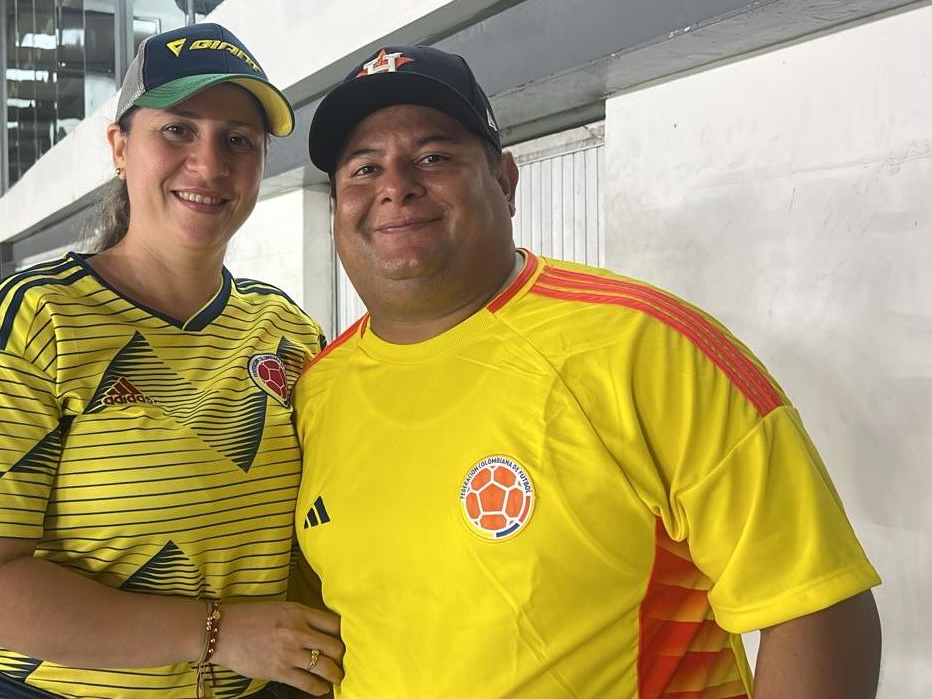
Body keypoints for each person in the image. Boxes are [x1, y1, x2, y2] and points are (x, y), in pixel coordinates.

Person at [294, 45, 882, 698]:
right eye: (363, 168)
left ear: (506, 182)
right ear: (336, 211)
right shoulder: (318, 390)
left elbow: (815, 606)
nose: (395, 185)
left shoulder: (646, 348)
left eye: (434, 157)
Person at [0, 23, 343, 699]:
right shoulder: (34, 317)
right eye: (178, 130)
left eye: (238, 139)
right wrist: (217, 632)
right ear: (119, 147)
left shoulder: (285, 329)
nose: (209, 163)